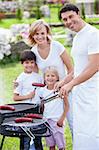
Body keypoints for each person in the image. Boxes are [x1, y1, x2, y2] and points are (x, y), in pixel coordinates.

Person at [57, 3, 99, 150]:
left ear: (78, 13)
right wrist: (65, 80)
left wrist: (71, 84)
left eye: (70, 17)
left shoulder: (93, 34)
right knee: (81, 130)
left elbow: (94, 66)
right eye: (64, 19)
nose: (68, 22)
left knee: (93, 131)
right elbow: (80, 67)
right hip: (80, 93)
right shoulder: (77, 38)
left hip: (93, 92)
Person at [28, 19, 74, 134]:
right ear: (32, 35)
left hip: (67, 90)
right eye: (36, 34)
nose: (39, 37)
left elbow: (72, 70)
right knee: (51, 127)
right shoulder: (33, 51)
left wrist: (62, 84)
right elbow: (36, 77)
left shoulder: (57, 46)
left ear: (47, 33)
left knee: (73, 123)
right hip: (50, 95)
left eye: (42, 33)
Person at [13, 50, 43, 150]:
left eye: (31, 62)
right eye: (26, 62)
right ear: (22, 63)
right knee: (25, 136)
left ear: (35, 63)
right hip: (25, 110)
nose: (29, 65)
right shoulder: (20, 79)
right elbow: (15, 97)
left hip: (37, 109)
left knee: (37, 135)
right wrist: (28, 96)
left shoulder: (38, 77)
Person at [38, 66, 69, 150]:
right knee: (50, 145)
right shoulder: (42, 91)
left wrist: (62, 119)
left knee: (61, 146)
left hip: (57, 120)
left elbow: (67, 106)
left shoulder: (61, 90)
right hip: (46, 121)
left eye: (53, 76)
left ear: (57, 78)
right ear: (44, 78)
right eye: (48, 76)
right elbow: (42, 106)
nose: (50, 78)